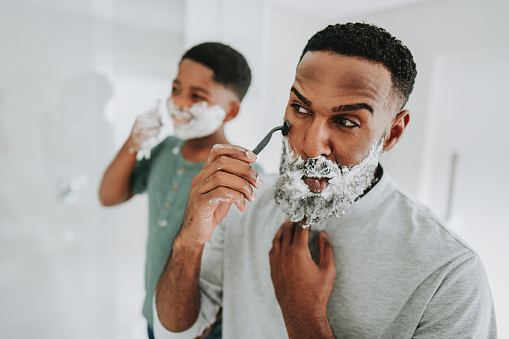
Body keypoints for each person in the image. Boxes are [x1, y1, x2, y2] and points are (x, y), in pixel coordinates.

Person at [153, 23, 497, 338]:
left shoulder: (451, 274)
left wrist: (302, 315)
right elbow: (178, 331)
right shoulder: (245, 203)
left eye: (346, 121)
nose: (309, 145)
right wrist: (189, 241)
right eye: (301, 110)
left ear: (392, 133)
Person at [98, 42, 255, 339]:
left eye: (197, 96)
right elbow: (108, 196)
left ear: (231, 111)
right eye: (176, 88)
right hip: (154, 312)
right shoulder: (165, 151)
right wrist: (133, 143)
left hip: (203, 326)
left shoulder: (234, 173)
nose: (180, 103)